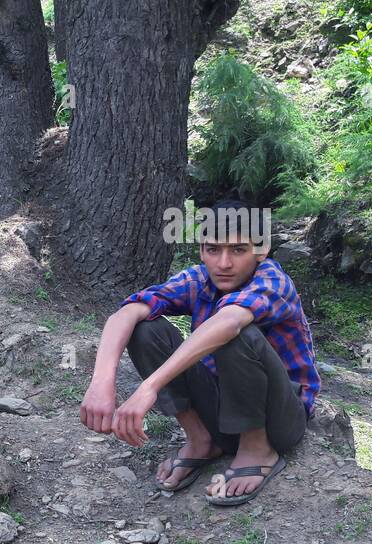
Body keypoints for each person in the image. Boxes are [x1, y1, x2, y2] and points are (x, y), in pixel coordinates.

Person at [79, 201, 319, 505]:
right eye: (213, 249)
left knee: (237, 333)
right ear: (202, 250)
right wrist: (102, 382)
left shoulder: (273, 281)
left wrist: (148, 387)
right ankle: (201, 440)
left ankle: (257, 449)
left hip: (279, 419)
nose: (224, 263)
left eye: (238, 250)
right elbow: (127, 312)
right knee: (144, 327)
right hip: (223, 410)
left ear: (261, 251)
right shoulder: (200, 279)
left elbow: (230, 322)